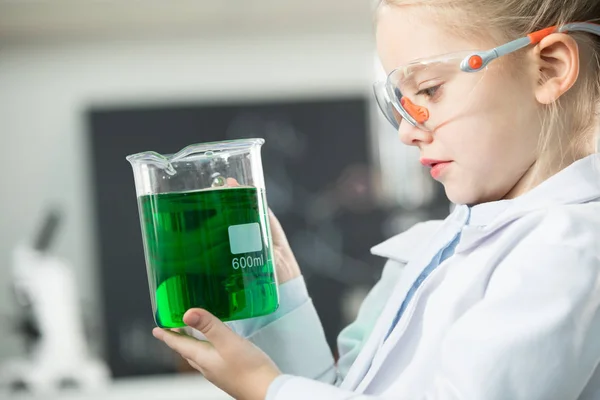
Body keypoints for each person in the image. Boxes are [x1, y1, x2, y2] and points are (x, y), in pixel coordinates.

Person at [151, 1, 600, 399]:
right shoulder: (428, 250)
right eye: (398, 103)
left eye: (428, 90)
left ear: (550, 68)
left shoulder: (572, 246)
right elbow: (345, 391)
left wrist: (267, 389)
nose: (406, 130)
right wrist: (284, 298)